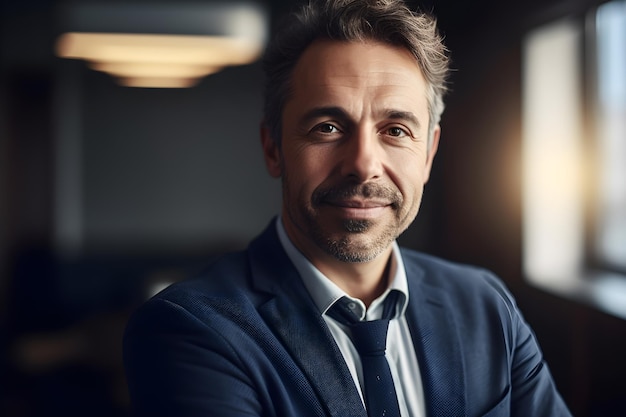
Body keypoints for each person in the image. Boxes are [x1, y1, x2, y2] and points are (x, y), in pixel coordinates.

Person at [123, 0, 573, 416]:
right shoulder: (190, 331)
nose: (363, 165)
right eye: (328, 126)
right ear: (273, 147)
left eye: (396, 130)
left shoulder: (486, 306)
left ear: (429, 155)